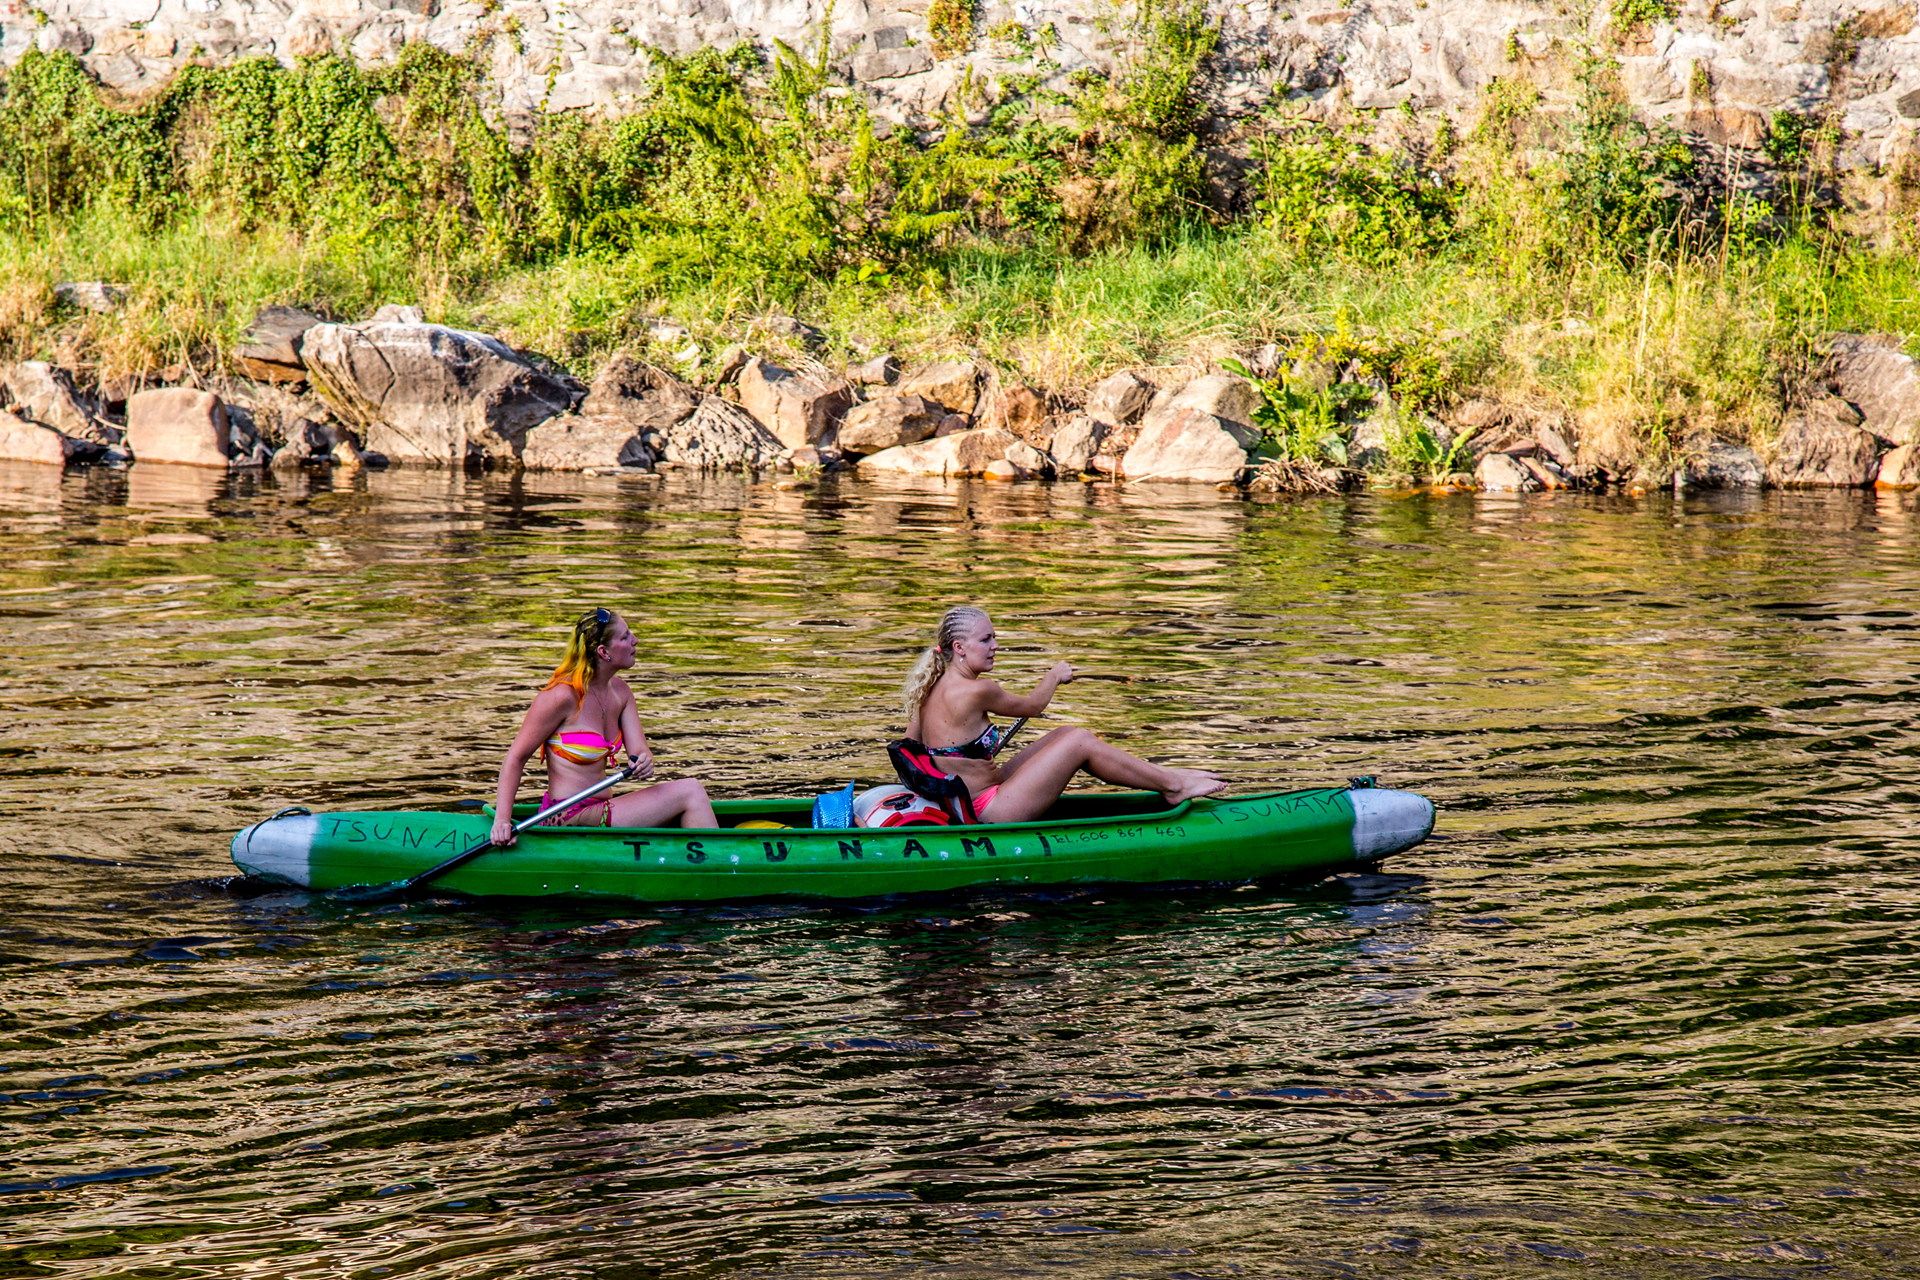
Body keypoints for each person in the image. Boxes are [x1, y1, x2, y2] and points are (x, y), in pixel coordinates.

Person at [899, 605, 1226, 823]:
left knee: (1067, 733)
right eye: (986, 639)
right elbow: (1034, 707)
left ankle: (1167, 778)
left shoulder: (929, 689)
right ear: (959, 648)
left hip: (964, 801)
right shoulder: (979, 689)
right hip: (989, 809)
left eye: (994, 637)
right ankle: (1173, 787)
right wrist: (1054, 675)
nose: (995, 645)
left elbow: (909, 751)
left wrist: (957, 760)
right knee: (1080, 742)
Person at [490, 607, 716, 845]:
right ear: (603, 652)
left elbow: (640, 753)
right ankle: (725, 867)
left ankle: (709, 865)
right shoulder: (561, 697)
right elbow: (515, 758)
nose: (635, 640)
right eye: (626, 636)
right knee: (691, 791)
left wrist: (644, 763)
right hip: (568, 815)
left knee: (690, 793)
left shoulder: (621, 692)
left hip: (603, 809)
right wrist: (503, 820)